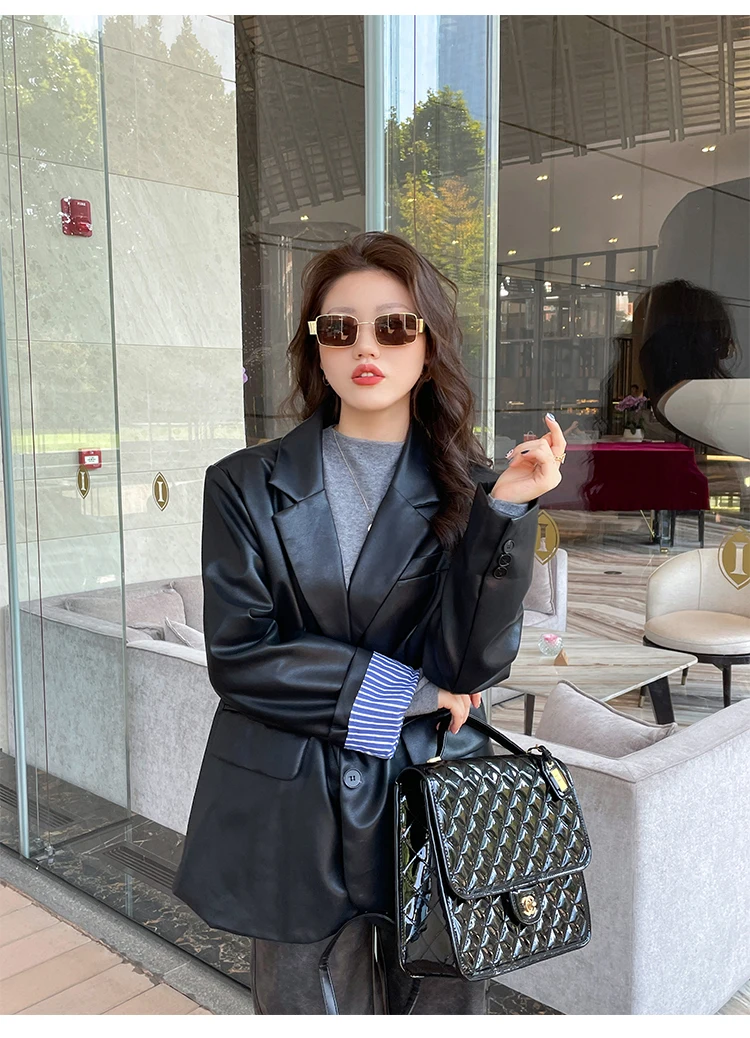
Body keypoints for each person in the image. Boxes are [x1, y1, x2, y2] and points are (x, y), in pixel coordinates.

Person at [172, 231, 566, 1014]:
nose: (365, 346)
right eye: (339, 327)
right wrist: (409, 694)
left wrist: (505, 515)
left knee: (444, 1007)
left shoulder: (475, 490)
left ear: (429, 344)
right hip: (289, 805)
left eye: (394, 325)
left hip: (431, 793)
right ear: (314, 346)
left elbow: (470, 666)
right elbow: (242, 655)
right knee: (304, 1007)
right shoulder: (244, 485)